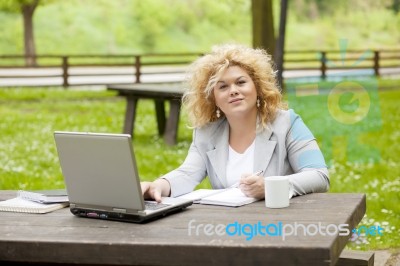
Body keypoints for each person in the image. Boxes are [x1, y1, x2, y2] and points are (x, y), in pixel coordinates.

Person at [141, 44, 329, 202]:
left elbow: (319, 176)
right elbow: (187, 173)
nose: (233, 91)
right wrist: (157, 186)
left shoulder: (288, 123)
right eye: (223, 86)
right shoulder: (206, 132)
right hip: (227, 228)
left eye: (240, 82)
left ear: (257, 87)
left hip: (280, 223)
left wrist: (270, 187)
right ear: (213, 97)